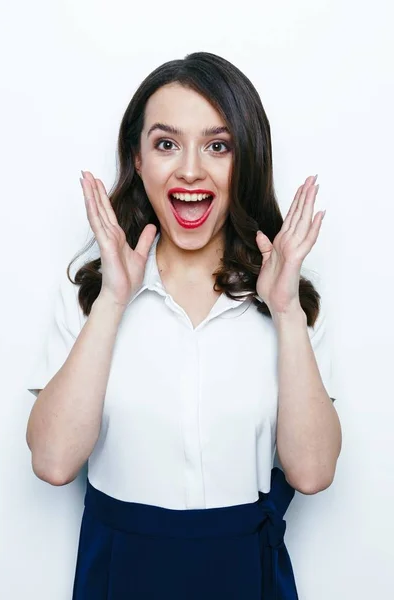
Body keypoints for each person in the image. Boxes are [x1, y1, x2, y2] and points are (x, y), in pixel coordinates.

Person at [26, 51, 342, 599]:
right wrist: (112, 303)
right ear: (139, 159)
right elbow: (53, 462)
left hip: (246, 573)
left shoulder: (291, 300)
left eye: (217, 146)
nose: (190, 169)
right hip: (119, 573)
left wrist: (287, 314)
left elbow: (312, 474)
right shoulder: (88, 293)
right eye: (166, 144)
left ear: (246, 161)